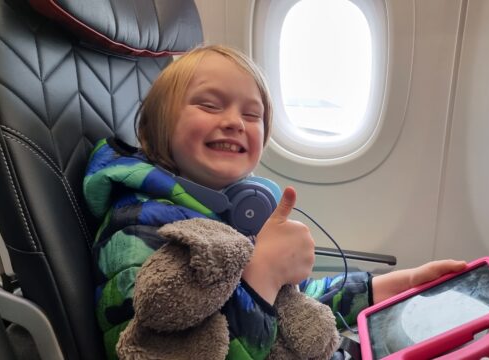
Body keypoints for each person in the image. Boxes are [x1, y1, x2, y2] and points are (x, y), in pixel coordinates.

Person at [83, 44, 467, 360]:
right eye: (210, 105)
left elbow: (290, 308)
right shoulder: (137, 229)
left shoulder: (222, 211)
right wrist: (263, 274)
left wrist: (392, 286)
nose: (235, 121)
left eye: (252, 114)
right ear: (156, 128)